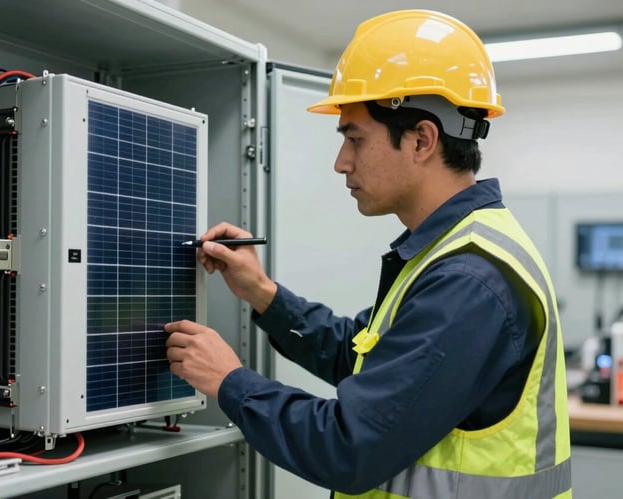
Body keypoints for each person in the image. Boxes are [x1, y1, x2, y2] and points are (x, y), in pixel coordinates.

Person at [165, 9, 571, 498]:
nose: (342, 163)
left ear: (422, 139)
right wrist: (265, 295)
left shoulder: (469, 279)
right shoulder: (455, 251)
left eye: (354, 138)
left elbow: (348, 447)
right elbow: (361, 358)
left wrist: (229, 380)